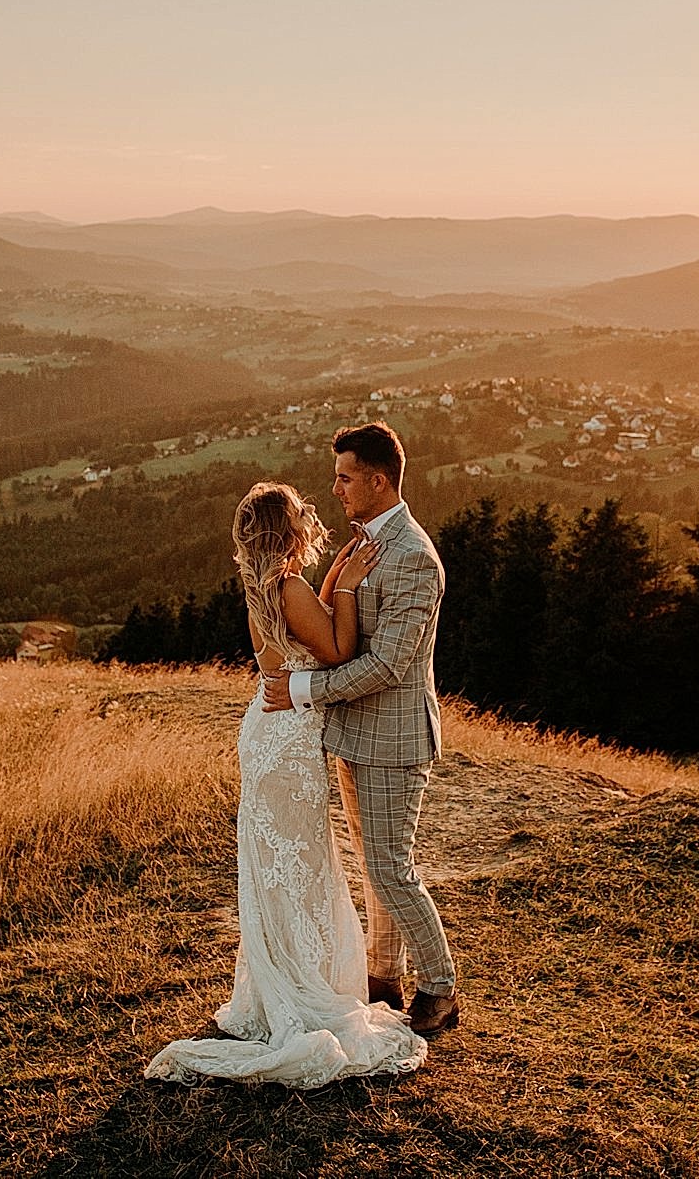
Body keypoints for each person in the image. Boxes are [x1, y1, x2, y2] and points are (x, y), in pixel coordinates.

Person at [145, 481, 426, 1087]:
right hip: (290, 742)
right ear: (288, 529)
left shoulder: (269, 587)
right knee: (299, 867)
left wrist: (330, 586)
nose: (313, 517)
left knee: (278, 869)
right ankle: (305, 989)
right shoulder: (291, 588)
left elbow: (308, 623)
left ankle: (278, 983)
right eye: (303, 514)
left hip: (267, 734)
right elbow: (337, 647)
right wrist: (347, 585)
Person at [261, 422, 459, 1036]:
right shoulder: (364, 545)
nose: (336, 488)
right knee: (373, 866)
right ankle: (381, 977)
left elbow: (387, 665)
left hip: (395, 741)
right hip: (352, 734)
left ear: (378, 481)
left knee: (392, 868)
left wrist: (299, 690)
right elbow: (334, 629)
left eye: (345, 477)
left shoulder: (413, 559)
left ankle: (441, 989)